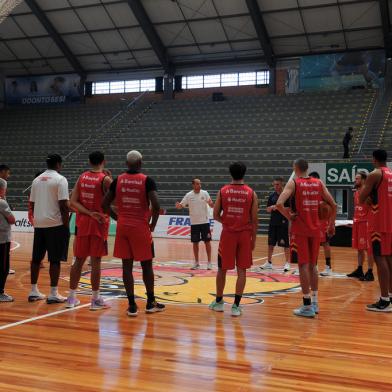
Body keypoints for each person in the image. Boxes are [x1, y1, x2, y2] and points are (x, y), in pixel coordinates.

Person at [102, 150, 165, 316]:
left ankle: (131, 305)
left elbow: (104, 204)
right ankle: (150, 302)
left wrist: (118, 218)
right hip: (140, 227)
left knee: (126, 267)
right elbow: (156, 205)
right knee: (146, 265)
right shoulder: (147, 181)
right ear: (140, 163)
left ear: (126, 163)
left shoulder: (118, 180)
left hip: (123, 227)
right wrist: (153, 224)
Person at [276, 158, 336, 318]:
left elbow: (279, 203)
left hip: (300, 230)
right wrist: (331, 224)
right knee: (313, 266)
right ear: (307, 168)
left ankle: (307, 305)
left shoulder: (294, 183)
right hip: (316, 230)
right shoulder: (318, 183)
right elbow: (334, 205)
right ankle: (315, 302)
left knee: (303, 265)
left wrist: (289, 216)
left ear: (295, 168)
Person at [209, 162, 258, 317]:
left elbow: (215, 214)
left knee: (222, 269)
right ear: (244, 173)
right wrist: (254, 239)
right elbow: (255, 220)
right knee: (241, 270)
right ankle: (236, 306)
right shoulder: (251, 193)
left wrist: (228, 222)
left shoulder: (223, 191)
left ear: (230, 173)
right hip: (245, 235)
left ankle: (218, 302)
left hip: (228, 235)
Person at [66, 151, 112, 310]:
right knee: (96, 262)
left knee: (78, 260)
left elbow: (72, 202)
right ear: (103, 161)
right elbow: (114, 203)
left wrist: (88, 212)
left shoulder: (82, 177)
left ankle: (71, 298)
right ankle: (95, 299)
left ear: (89, 161)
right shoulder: (105, 179)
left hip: (83, 223)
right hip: (99, 224)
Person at [28, 154, 70, 303]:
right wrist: (65, 224)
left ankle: (33, 291)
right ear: (58, 164)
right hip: (55, 224)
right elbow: (64, 205)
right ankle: (53, 293)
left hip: (39, 223)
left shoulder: (36, 180)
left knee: (36, 258)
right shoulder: (60, 179)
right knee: (55, 260)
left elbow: (32, 203)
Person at [359, 149, 392, 312]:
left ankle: (384, 300)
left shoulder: (375, 174)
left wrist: (368, 192)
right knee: (389, 258)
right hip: (390, 221)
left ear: (374, 159)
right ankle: (390, 296)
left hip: (378, 222)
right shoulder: (390, 174)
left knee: (380, 259)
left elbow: (361, 197)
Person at [175, 179, 214, 270]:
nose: (199, 185)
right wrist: (178, 206)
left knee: (207, 242)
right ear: (193, 185)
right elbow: (181, 205)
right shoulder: (188, 195)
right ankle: (196, 263)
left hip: (205, 222)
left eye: (200, 183)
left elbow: (211, 203)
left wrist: (212, 204)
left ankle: (209, 263)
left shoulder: (205, 193)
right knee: (195, 243)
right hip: (194, 223)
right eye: (197, 184)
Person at [347, 171, 374, 281]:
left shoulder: (367, 192)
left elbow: (373, 207)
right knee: (359, 248)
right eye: (355, 178)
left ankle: (370, 272)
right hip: (357, 221)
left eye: (357, 178)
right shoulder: (356, 192)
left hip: (365, 222)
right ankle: (359, 269)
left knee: (368, 249)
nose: (355, 180)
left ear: (363, 180)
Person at [260, 177, 290, 272]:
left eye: (277, 184)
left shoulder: (286, 196)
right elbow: (267, 209)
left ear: (282, 184)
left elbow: (289, 209)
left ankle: (287, 263)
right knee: (270, 244)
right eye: (274, 184)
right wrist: (272, 207)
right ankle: (269, 262)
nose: (276, 186)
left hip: (283, 223)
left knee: (285, 245)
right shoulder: (272, 196)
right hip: (273, 223)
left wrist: (279, 208)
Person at [309, 172, 334, 277]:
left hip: (323, 222)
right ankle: (314, 265)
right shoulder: (309, 191)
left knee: (325, 244)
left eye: (313, 179)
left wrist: (331, 224)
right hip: (313, 221)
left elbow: (333, 206)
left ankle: (328, 267)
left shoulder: (323, 191)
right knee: (313, 244)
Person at [0, 179, 15, 302]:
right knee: (3, 267)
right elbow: (12, 219)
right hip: (2, 240)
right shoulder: (2, 203)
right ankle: (0, 293)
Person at [0, 165, 14, 274]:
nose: (8, 176)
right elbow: (12, 219)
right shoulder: (2, 201)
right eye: (7, 173)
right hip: (3, 235)